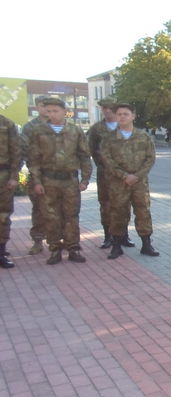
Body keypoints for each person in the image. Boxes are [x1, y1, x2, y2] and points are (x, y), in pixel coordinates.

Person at [27, 98, 92, 264]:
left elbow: (84, 156)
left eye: (55, 111)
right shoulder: (38, 131)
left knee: (72, 216)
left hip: (70, 181)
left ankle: (73, 248)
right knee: (51, 217)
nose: (52, 114)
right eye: (48, 111)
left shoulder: (75, 131)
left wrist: (85, 179)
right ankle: (54, 249)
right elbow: (33, 159)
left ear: (65, 111)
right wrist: (37, 182)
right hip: (48, 181)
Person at [100, 103, 160, 259]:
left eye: (126, 114)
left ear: (133, 116)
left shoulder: (143, 136)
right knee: (118, 213)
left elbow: (150, 158)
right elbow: (107, 160)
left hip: (139, 183)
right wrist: (124, 176)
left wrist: (137, 176)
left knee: (143, 212)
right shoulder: (109, 139)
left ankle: (146, 245)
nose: (122, 117)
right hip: (118, 183)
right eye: (119, 114)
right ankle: (117, 246)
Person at [87, 98, 134, 249]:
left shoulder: (126, 127)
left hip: (124, 174)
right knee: (106, 205)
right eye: (104, 108)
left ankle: (124, 235)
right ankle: (108, 236)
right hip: (105, 174)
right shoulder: (96, 129)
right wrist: (101, 165)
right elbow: (91, 150)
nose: (107, 111)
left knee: (124, 205)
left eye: (110, 108)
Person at [20, 96, 49, 254]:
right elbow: (24, 151)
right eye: (42, 106)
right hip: (37, 175)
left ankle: (58, 240)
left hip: (56, 176)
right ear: (37, 107)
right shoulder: (30, 127)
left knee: (60, 210)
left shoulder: (59, 125)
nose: (45, 109)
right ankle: (38, 241)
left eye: (48, 106)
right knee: (38, 209)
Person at [0, 114, 22, 268]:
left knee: (3, 215)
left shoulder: (6, 124)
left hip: (3, 175)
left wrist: (14, 176)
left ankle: (1, 252)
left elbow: (16, 152)